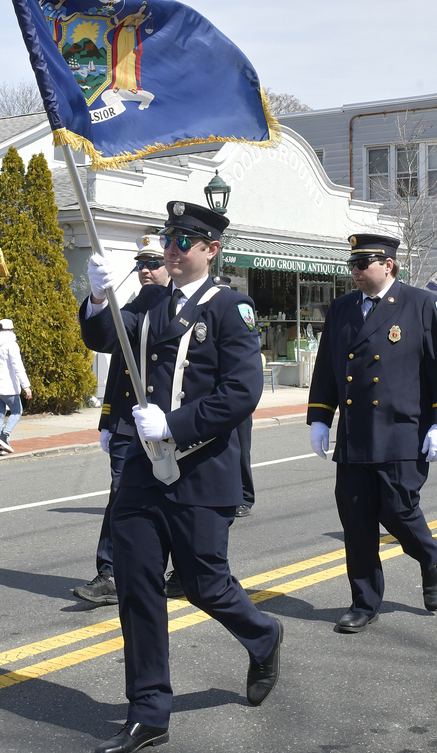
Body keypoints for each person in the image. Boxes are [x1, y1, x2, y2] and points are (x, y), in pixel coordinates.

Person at [81, 201, 282, 753]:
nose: (173, 248)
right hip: (146, 472)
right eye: (169, 238)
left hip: (200, 468)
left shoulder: (229, 308)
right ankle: (149, 711)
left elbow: (242, 392)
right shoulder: (150, 300)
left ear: (210, 251)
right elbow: (105, 338)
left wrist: (173, 423)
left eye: (185, 241)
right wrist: (99, 297)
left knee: (203, 584)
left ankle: (263, 635)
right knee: (137, 588)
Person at [306, 233, 437, 634]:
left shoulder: (420, 303)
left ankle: (429, 556)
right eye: (351, 265)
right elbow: (326, 366)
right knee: (356, 522)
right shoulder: (341, 309)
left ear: (387, 264)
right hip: (356, 434)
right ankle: (364, 601)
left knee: (398, 511)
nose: (354, 272)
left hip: (402, 431)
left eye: (362, 265)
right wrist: (321, 416)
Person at [74, 234, 168, 606]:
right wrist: (98, 298)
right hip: (131, 426)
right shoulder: (135, 306)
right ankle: (110, 572)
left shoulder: (194, 306)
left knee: (173, 502)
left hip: (174, 426)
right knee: (121, 498)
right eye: (140, 264)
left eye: (153, 263)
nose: (145, 270)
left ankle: (177, 568)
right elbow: (114, 362)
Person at [0, 318, 31, 455]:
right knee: (17, 411)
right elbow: (18, 367)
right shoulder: (11, 344)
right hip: (7, 386)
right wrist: (26, 386)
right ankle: (4, 437)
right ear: (11, 330)